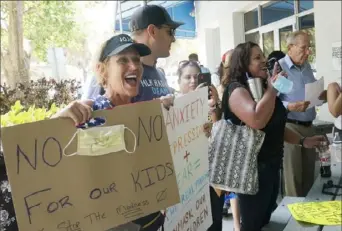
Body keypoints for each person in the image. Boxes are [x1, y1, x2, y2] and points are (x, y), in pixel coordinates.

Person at [222, 41, 326, 231]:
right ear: (243, 63)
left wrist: (303, 141)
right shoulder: (236, 89)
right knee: (252, 225)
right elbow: (256, 120)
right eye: (257, 58)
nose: (264, 61)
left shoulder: (261, 88)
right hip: (251, 173)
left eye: (263, 56)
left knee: (265, 220)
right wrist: (272, 89)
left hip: (271, 166)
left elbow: (275, 127)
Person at [175, 60, 224, 231]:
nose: (193, 81)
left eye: (197, 77)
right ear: (179, 81)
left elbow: (218, 131)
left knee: (214, 220)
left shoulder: (210, 104)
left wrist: (215, 104)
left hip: (211, 175)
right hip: (187, 179)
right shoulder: (172, 108)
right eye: (187, 77)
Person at [278, 31, 327, 197]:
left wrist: (324, 97)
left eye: (309, 48)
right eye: (304, 48)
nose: (308, 52)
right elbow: (273, 102)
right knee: (293, 179)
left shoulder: (306, 67)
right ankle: (294, 219)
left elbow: (311, 96)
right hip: (290, 128)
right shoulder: (280, 68)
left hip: (309, 126)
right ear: (290, 47)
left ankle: (309, 216)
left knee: (309, 177)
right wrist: (289, 106)